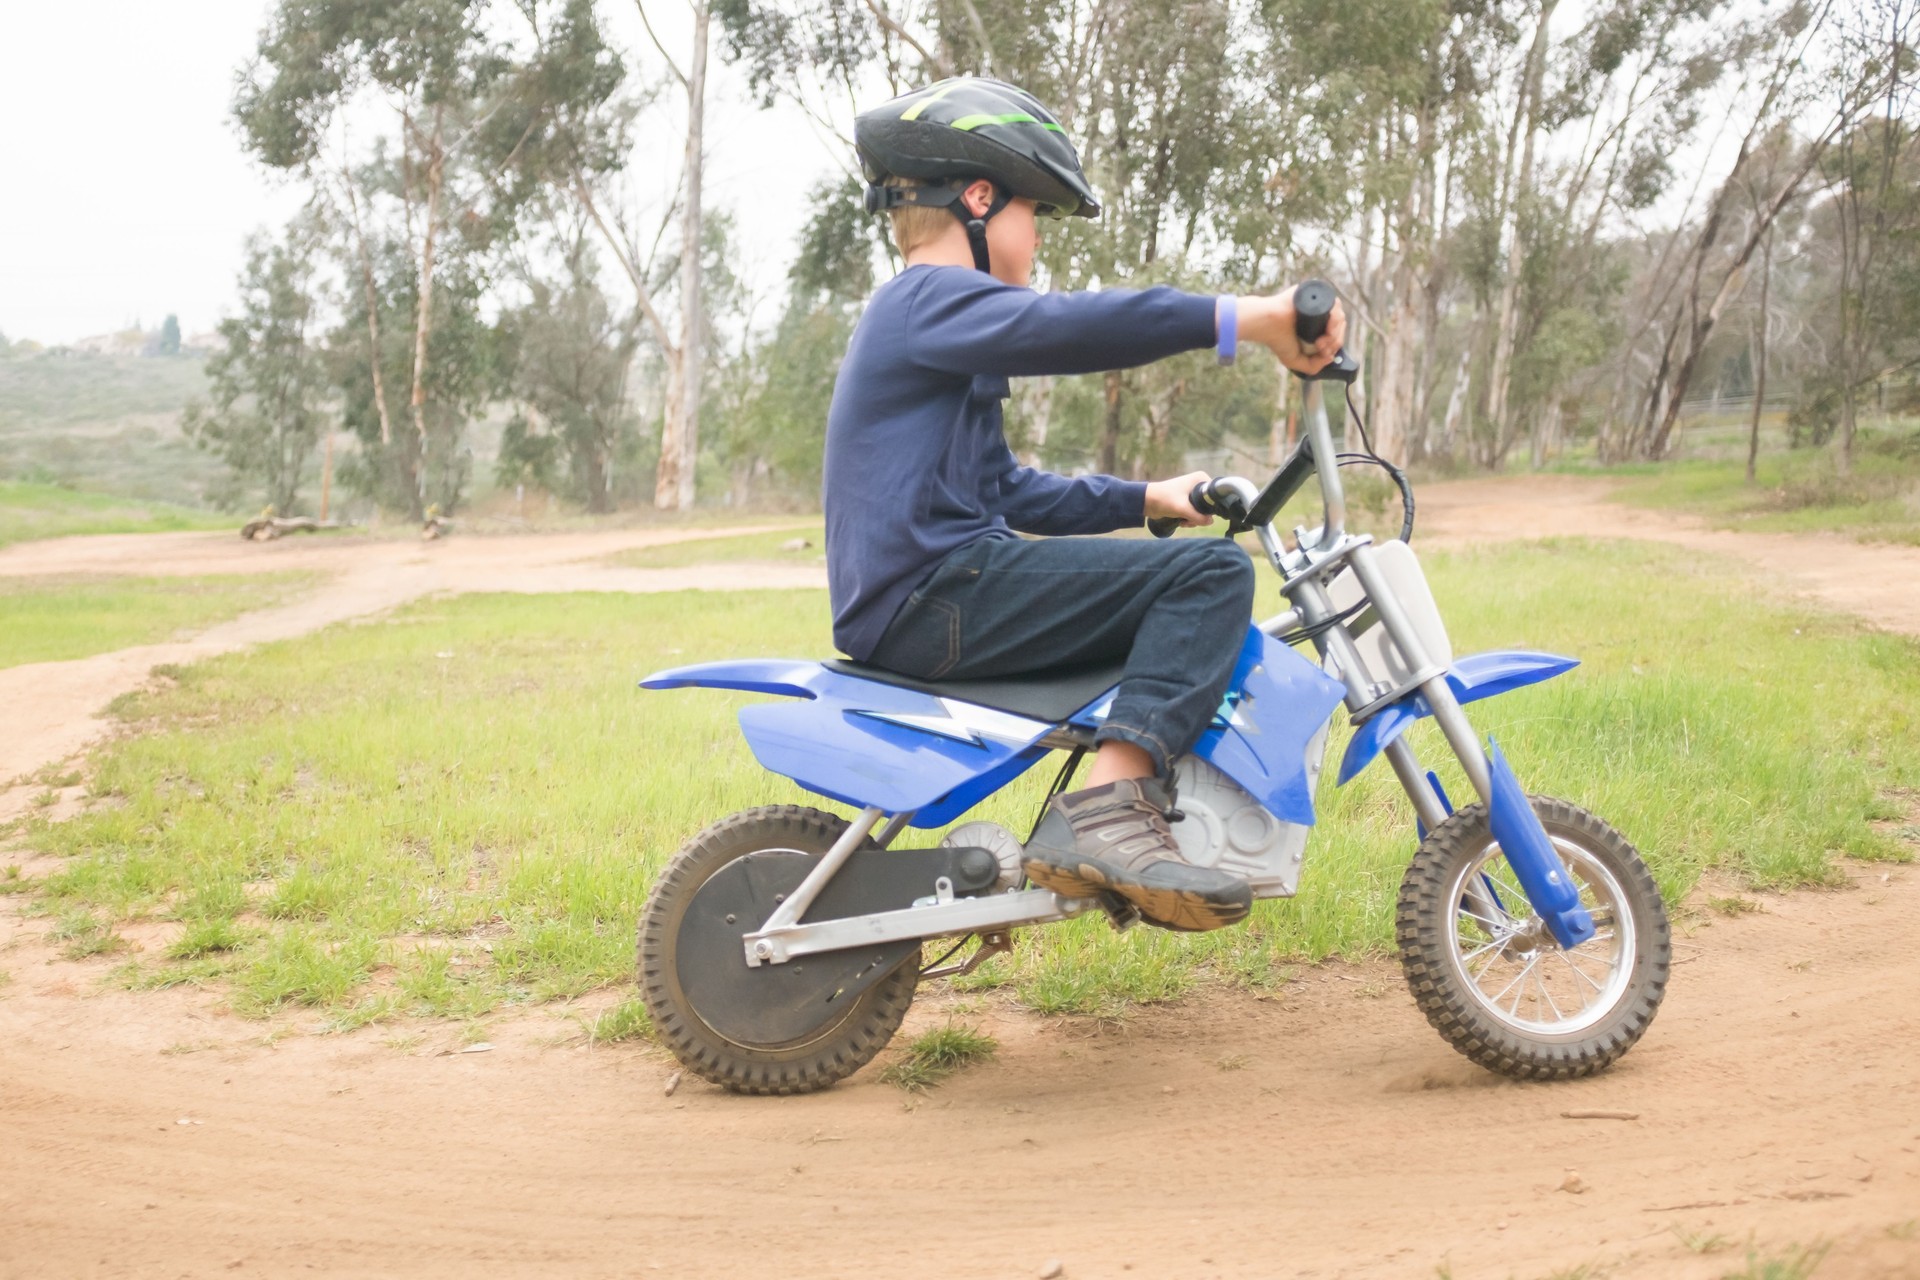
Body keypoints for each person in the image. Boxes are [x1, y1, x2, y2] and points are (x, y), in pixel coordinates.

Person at [826, 77, 1346, 933]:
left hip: (937, 590)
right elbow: (1070, 328)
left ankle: (1123, 806)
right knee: (1211, 577)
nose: (1037, 241)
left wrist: (1145, 495)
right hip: (938, 594)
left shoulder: (929, 322)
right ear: (979, 201)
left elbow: (1003, 487)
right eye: (1037, 215)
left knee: (1188, 575)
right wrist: (1251, 318)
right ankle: (1106, 814)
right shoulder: (927, 298)